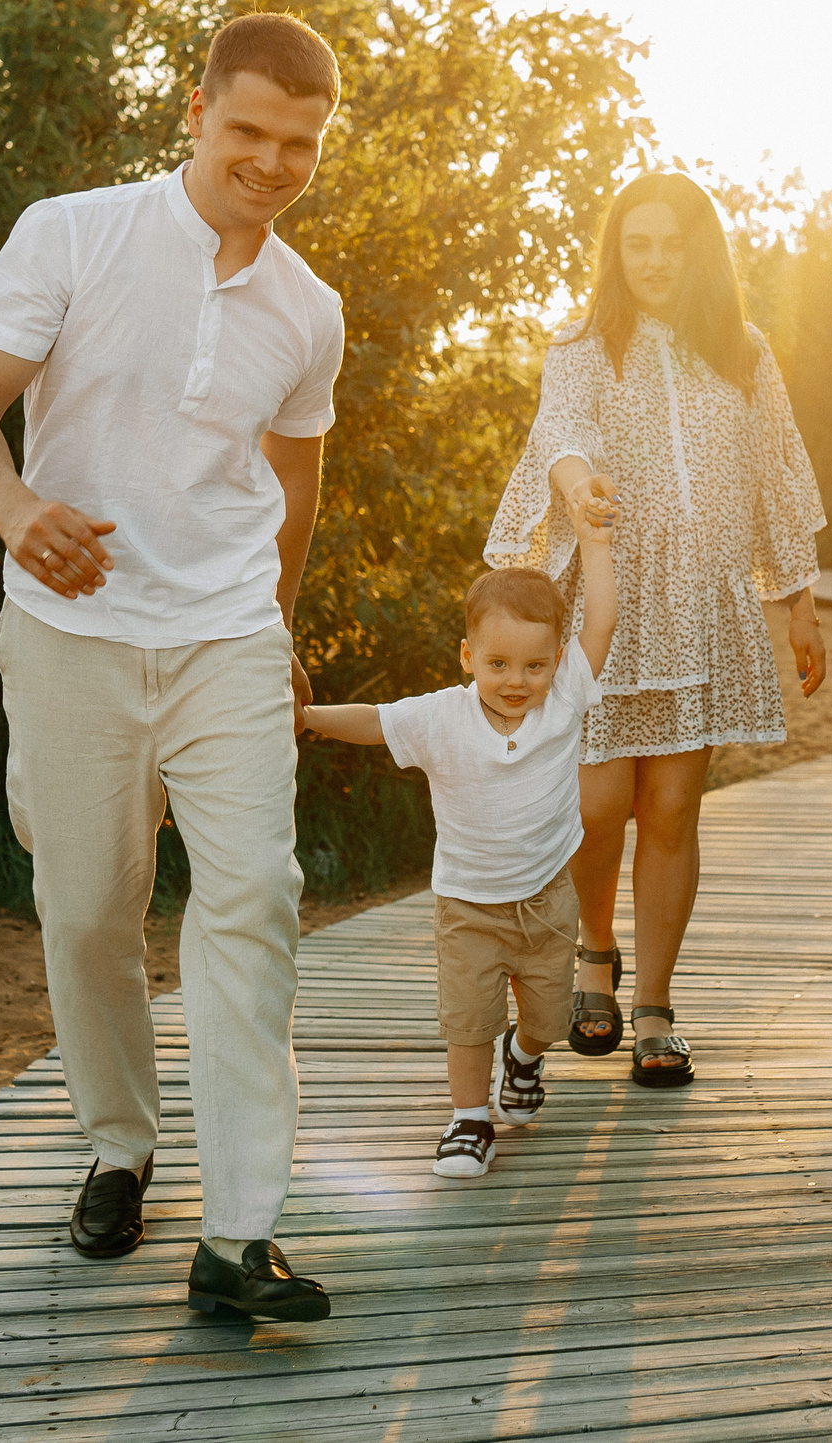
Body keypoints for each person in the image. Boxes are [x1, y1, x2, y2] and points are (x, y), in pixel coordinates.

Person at [0, 13, 345, 1324]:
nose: (270, 163)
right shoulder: (71, 231)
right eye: (249, 132)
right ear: (198, 109)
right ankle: (120, 1140)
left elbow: (298, 483)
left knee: (257, 893)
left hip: (224, 630)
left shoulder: (309, 310)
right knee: (91, 906)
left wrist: (271, 626)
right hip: (73, 634)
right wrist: (17, 514)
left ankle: (240, 1229)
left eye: (301, 143)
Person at [484, 172, 828, 1088]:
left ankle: (656, 1009)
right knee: (598, 810)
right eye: (637, 244)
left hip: (702, 607)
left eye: (672, 243)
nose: (655, 261)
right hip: (611, 606)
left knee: (672, 810)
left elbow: (777, 468)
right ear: (616, 253)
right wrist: (576, 481)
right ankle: (596, 951)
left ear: (699, 248)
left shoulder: (742, 349)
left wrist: (797, 593)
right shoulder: (586, 343)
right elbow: (561, 427)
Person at [302, 494, 620, 1177]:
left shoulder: (564, 697)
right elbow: (374, 719)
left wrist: (595, 547)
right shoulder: (441, 716)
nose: (516, 680)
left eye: (534, 666)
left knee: (549, 1017)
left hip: (547, 898)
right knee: (469, 1021)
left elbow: (604, 620)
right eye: (498, 663)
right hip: (469, 905)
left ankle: (525, 1056)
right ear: (468, 655)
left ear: (557, 661)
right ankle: (470, 1119)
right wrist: (304, 716)